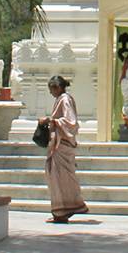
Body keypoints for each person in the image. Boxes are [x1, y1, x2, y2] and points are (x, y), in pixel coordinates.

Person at [43, 75, 88, 223]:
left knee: (60, 178)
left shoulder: (65, 99)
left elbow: (71, 122)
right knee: (57, 178)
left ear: (58, 87)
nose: (50, 92)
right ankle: (62, 209)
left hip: (62, 145)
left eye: (51, 89)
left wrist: (51, 121)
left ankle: (62, 210)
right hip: (58, 145)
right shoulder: (60, 100)